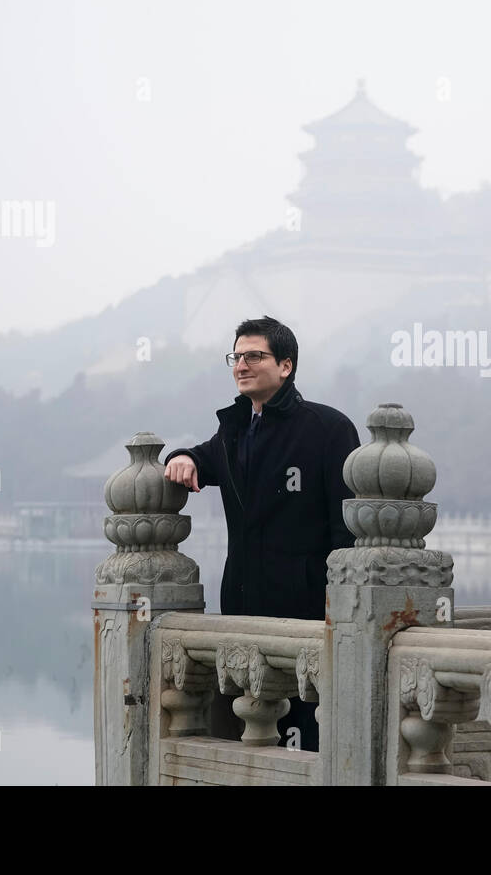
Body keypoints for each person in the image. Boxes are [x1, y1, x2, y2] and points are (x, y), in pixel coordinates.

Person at [162, 316, 360, 751]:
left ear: (286, 366)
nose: (241, 365)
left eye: (255, 356)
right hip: (242, 604)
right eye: (236, 356)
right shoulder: (235, 429)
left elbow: (346, 530)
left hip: (306, 612)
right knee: (250, 733)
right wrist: (182, 457)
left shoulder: (327, 429)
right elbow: (203, 456)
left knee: (307, 735)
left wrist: (338, 605)